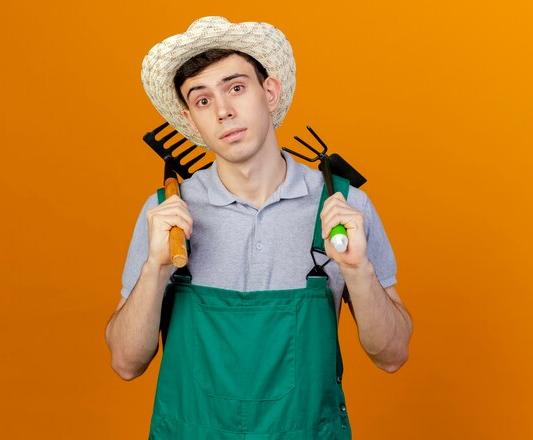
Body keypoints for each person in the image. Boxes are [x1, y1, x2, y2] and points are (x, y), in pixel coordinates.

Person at [105, 16, 412, 439]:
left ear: (269, 92)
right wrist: (156, 268)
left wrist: (359, 271)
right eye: (202, 100)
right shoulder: (167, 214)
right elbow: (125, 363)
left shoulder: (341, 206)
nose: (224, 111)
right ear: (191, 121)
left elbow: (393, 355)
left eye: (235, 87)